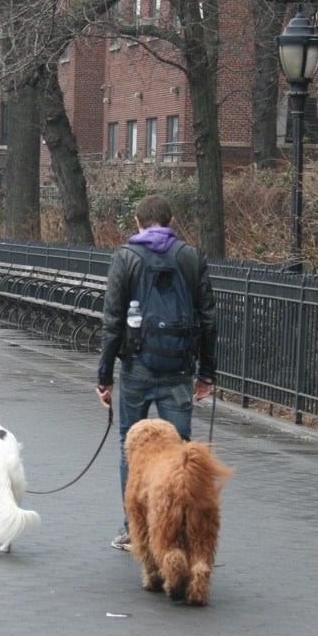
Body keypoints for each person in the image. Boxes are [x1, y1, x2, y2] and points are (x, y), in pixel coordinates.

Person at [95, 194, 217, 550]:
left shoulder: (126, 257)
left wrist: (104, 376)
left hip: (136, 367)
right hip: (180, 370)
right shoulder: (191, 257)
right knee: (179, 452)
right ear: (171, 220)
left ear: (137, 221)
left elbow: (112, 321)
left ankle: (134, 530)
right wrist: (206, 373)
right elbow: (208, 319)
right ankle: (175, 529)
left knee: (129, 449)